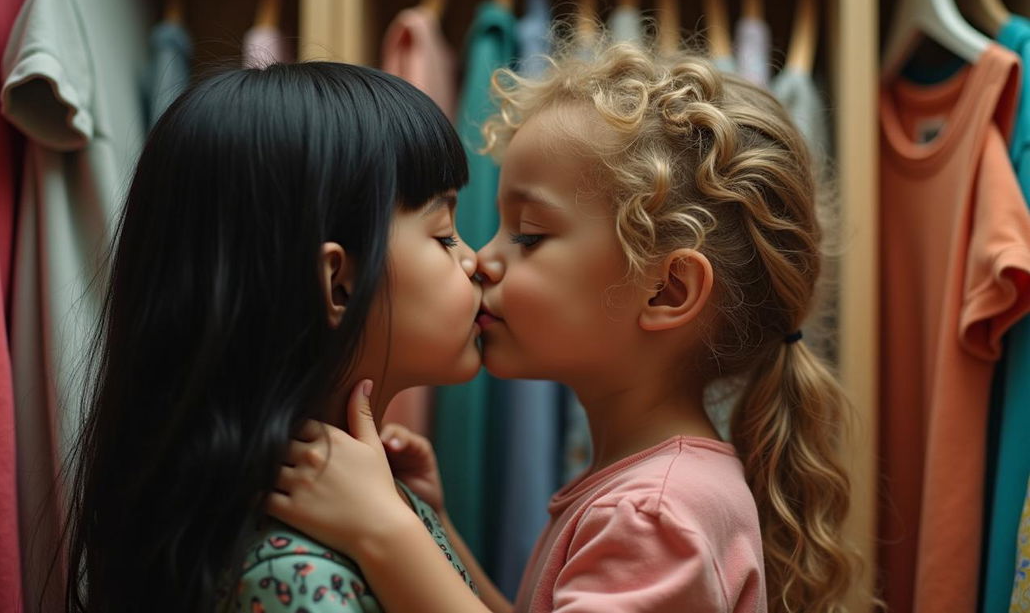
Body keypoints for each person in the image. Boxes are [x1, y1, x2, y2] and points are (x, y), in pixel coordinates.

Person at [270, 39, 858, 613]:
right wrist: (430, 523)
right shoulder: (645, 487)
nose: (481, 258)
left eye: (528, 235)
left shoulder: (653, 512)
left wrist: (383, 531)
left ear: (668, 290)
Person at [61, 61, 482, 613]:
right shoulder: (294, 580)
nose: (475, 260)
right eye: (445, 234)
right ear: (339, 285)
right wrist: (388, 530)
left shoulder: (367, 503)